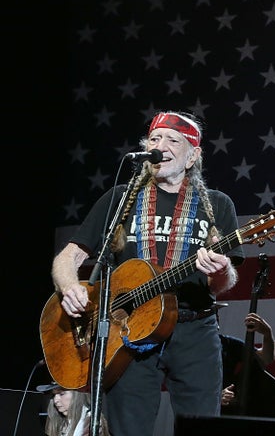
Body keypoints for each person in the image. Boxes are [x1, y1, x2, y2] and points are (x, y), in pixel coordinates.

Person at [51, 111, 244, 436]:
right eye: (155, 139)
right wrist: (70, 287)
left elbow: (222, 283)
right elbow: (67, 258)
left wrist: (222, 269)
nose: (161, 145)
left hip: (194, 330)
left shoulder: (216, 204)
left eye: (173, 140)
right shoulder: (121, 198)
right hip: (127, 333)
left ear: (193, 156)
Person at [220, 312, 275, 410]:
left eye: (215, 313)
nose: (215, 317)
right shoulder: (186, 348)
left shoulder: (225, 343)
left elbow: (265, 358)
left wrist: (267, 333)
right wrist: (215, 397)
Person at [37, 382, 109, 436]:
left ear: (76, 395)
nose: (56, 400)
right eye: (53, 395)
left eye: (62, 394)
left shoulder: (91, 422)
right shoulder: (61, 421)